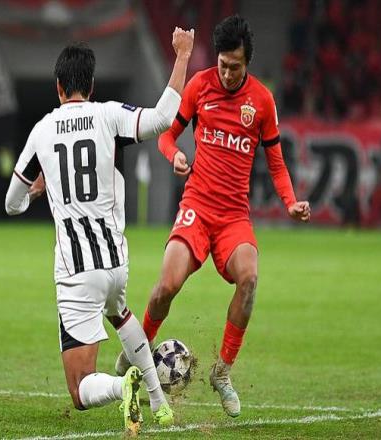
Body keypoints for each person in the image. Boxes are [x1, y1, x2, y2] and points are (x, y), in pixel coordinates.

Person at [116, 15, 311, 417]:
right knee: (165, 287)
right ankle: (137, 352)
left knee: (250, 278)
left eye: (234, 67)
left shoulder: (262, 101)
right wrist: (175, 155)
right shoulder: (199, 85)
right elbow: (166, 135)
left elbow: (276, 163)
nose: (226, 73)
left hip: (234, 216)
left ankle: (222, 372)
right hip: (196, 207)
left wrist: (290, 202)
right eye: (222, 64)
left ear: (247, 62)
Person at [5, 28, 194, 435]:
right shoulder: (109, 115)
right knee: (120, 313)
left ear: (58, 87)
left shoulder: (42, 130)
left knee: (80, 389)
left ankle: (122, 386)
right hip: (115, 263)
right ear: (90, 85)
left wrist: (37, 191)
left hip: (77, 272)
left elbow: (11, 203)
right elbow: (163, 117)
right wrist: (182, 56)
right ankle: (160, 402)